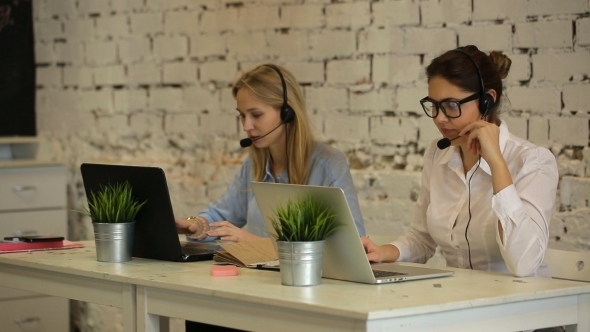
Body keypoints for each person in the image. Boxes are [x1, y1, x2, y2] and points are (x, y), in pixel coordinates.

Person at [177, 63, 366, 332]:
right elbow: (222, 214)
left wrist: (256, 245)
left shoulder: (327, 165)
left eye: (256, 114)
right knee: (200, 311)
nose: (247, 126)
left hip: (304, 303)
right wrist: (198, 226)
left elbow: (351, 250)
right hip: (255, 292)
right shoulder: (254, 164)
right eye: (242, 115)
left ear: (287, 113)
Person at [362, 45, 559, 280]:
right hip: (458, 299)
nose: (439, 118)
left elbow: (524, 264)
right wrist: (383, 252)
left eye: (451, 106)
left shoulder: (532, 162)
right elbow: (422, 239)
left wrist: (496, 163)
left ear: (487, 100)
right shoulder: (438, 154)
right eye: (434, 105)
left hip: (519, 306)